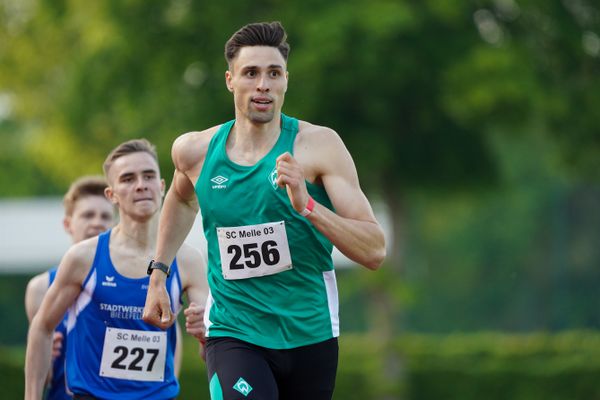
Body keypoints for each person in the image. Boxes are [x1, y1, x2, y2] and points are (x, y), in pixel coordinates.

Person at [143, 21, 386, 400]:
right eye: (251, 73)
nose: (263, 85)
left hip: (310, 332)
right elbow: (180, 198)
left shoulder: (319, 147)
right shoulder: (195, 151)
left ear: (286, 80)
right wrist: (158, 273)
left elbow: (373, 251)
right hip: (233, 332)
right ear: (229, 80)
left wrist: (308, 207)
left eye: (273, 73)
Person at [25, 139, 208, 400]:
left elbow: (211, 345)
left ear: (162, 185)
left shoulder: (189, 260)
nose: (141, 185)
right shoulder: (83, 257)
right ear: (112, 195)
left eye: (148, 176)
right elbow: (41, 328)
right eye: (128, 179)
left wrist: (206, 334)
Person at [25, 176, 115, 400]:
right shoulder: (41, 288)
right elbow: (40, 374)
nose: (97, 223)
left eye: (105, 216)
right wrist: (48, 357)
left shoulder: (135, 282)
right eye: (87, 215)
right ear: (68, 224)